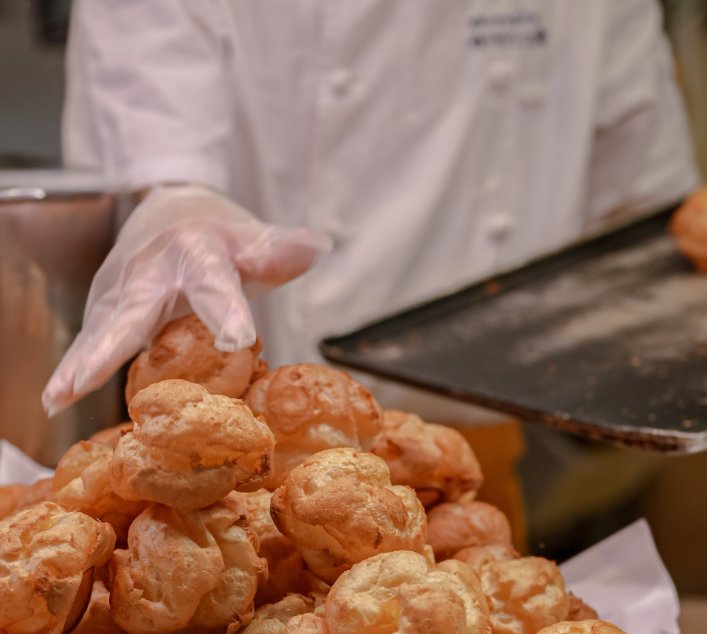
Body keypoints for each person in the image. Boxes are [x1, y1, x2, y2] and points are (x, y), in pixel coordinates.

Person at [44, 0, 699, 546]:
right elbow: (145, 88)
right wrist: (172, 192)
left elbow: (645, 217)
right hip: (248, 480)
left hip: (472, 466)